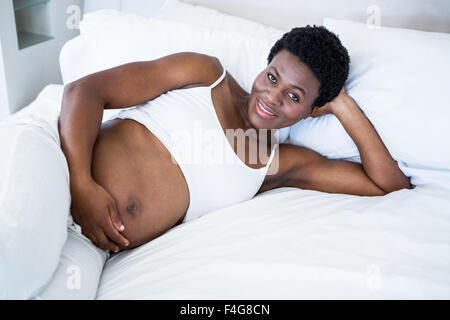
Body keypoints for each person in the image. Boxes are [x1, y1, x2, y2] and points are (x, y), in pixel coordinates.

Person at [38, 25, 412, 298]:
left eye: (294, 97)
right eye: (272, 77)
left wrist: (343, 105)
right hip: (57, 172)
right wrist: (81, 185)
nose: (271, 96)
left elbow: (388, 185)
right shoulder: (204, 75)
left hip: (92, 244)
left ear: (313, 110)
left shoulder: (277, 164)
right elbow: (85, 91)